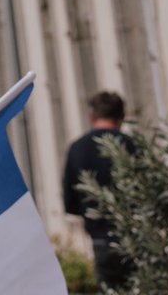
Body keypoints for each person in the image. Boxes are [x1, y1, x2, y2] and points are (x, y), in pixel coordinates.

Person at [63, 90, 137, 291]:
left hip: (100, 239)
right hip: (134, 237)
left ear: (92, 116)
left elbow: (69, 202)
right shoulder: (129, 145)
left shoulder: (78, 148)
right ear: (122, 116)